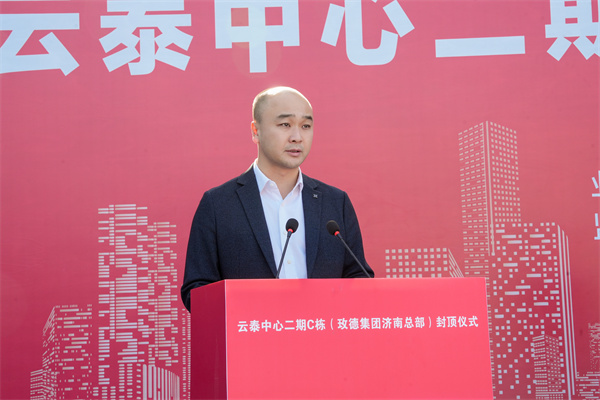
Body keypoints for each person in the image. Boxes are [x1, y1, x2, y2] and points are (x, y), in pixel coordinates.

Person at [181, 86, 373, 311]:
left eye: (306, 126)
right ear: (256, 131)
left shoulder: (335, 202)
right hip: (252, 331)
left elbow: (359, 277)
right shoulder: (218, 205)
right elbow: (197, 290)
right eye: (285, 125)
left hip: (321, 329)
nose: (297, 137)